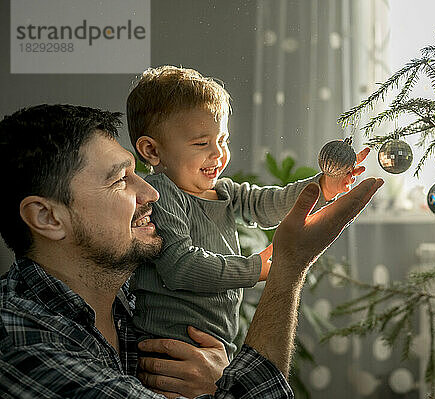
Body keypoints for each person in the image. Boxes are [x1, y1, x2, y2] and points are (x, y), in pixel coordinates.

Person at [0, 104, 383, 398]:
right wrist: (288, 268)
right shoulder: (22, 344)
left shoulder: (134, 305)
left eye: (136, 173)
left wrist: (219, 380)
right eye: (120, 180)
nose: (151, 193)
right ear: (47, 217)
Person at [126, 65, 370, 358]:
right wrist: (255, 269)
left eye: (223, 140)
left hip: (217, 347)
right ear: (152, 151)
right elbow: (181, 267)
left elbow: (271, 204)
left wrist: (324, 186)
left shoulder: (225, 193)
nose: (218, 154)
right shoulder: (160, 192)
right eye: (202, 143)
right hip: (166, 353)